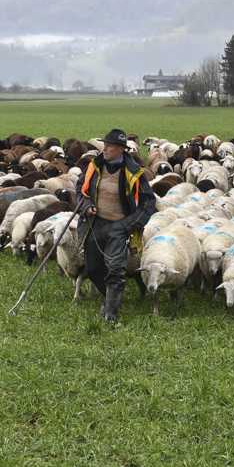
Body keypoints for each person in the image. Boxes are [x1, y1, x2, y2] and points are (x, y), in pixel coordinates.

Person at [76, 129, 157, 323]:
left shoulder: (134, 173)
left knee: (115, 269)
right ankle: (109, 297)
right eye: (105, 145)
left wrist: (129, 224)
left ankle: (111, 312)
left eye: (110, 146)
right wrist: (86, 206)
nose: (105, 149)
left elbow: (148, 202)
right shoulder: (94, 167)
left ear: (121, 149)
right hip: (95, 224)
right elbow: (81, 190)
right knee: (94, 267)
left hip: (119, 226)